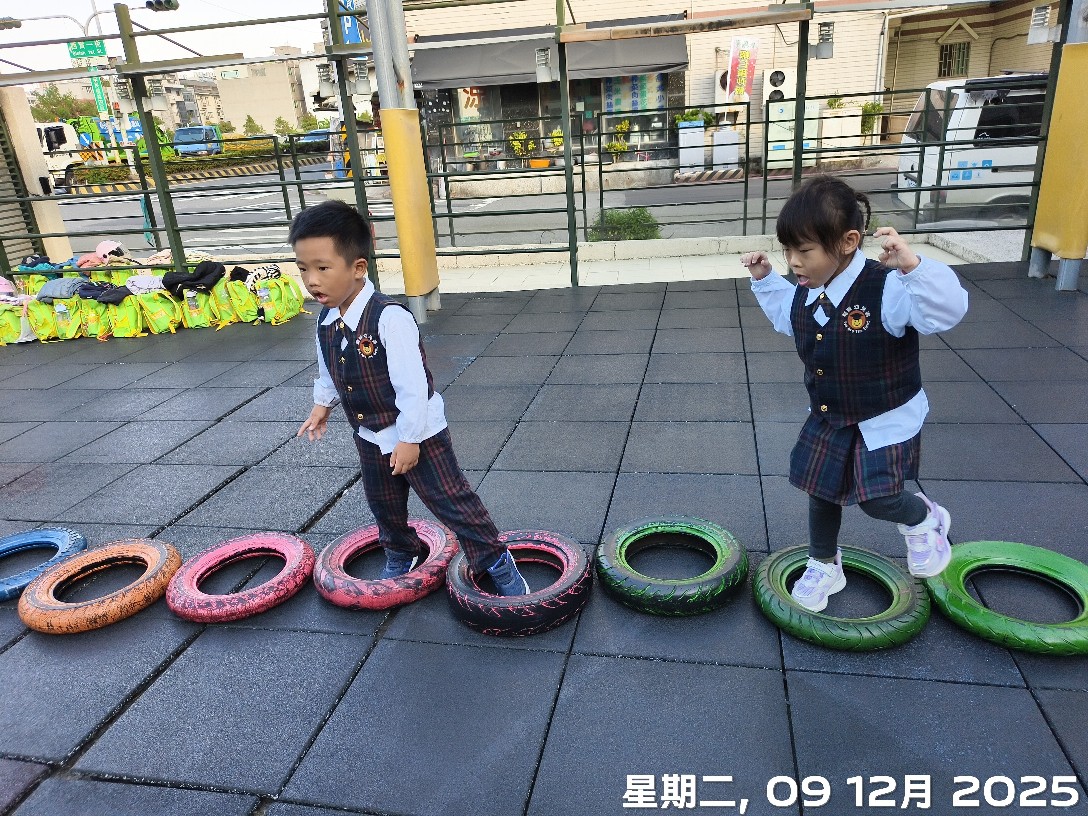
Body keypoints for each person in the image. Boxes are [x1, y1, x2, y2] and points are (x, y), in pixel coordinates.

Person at [741, 175, 968, 612]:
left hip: (885, 415)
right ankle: (824, 564)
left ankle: (924, 518)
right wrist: (766, 280)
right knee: (822, 491)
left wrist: (914, 267)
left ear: (848, 242)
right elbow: (788, 317)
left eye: (804, 251)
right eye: (787, 251)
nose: (794, 262)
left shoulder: (889, 286)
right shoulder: (806, 293)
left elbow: (946, 313)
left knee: (879, 499)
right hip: (831, 414)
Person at [291, 200, 529, 596]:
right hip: (370, 435)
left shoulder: (389, 318)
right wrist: (322, 405)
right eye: (303, 269)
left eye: (322, 268)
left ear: (358, 268)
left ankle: (495, 559)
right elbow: (329, 366)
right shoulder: (326, 318)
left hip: (418, 432)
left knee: (450, 501)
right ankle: (402, 551)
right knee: (383, 502)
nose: (311, 280)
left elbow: (414, 387)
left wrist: (409, 439)